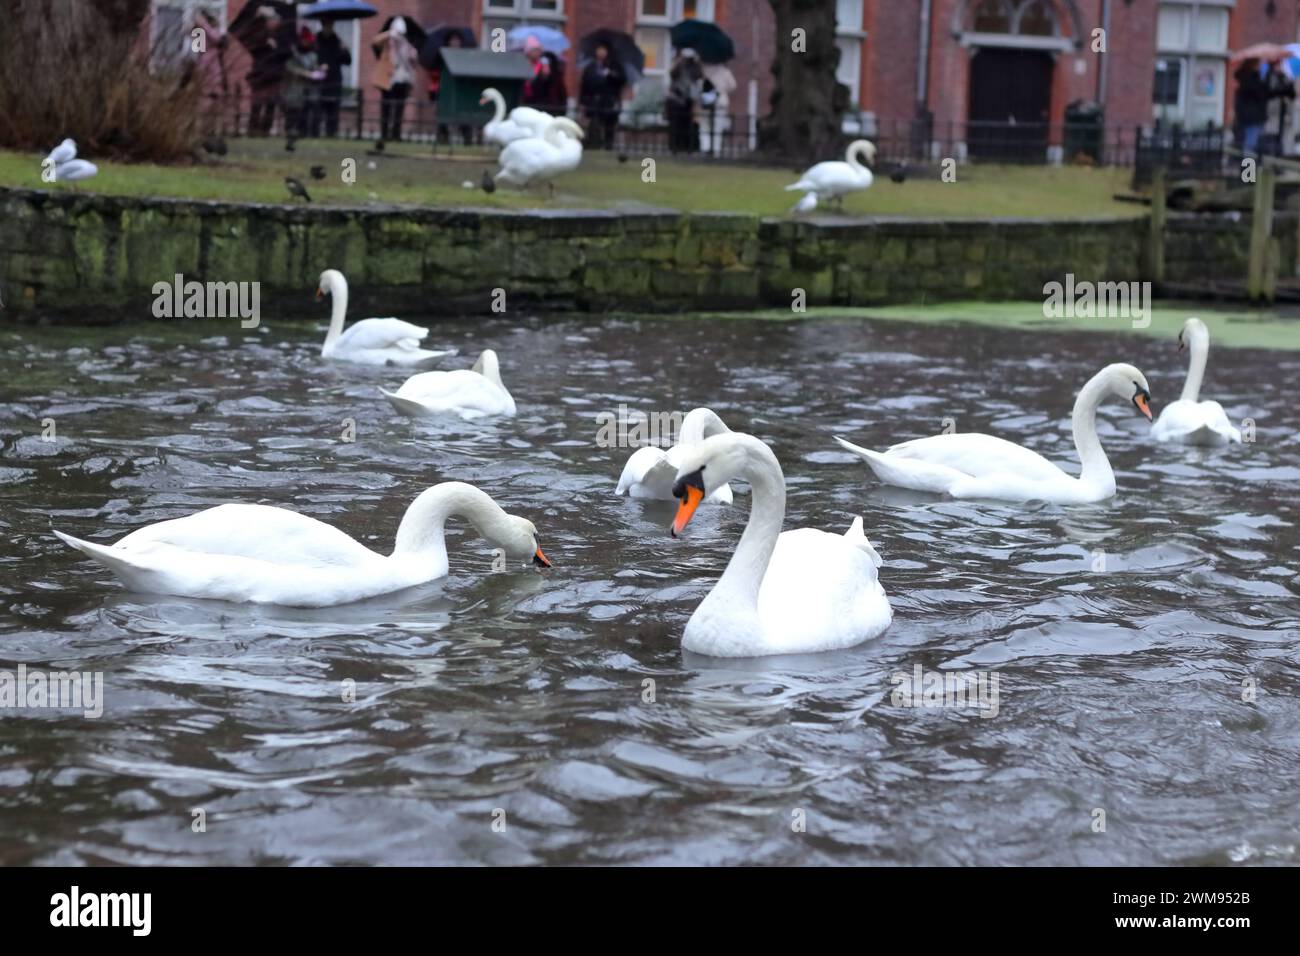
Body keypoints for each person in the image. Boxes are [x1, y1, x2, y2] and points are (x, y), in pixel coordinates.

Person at [373, 17, 419, 142]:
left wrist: (412, 53)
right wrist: (389, 34)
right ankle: (384, 133)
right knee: (386, 107)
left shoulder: (407, 44)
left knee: (399, 108)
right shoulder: (387, 42)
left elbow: (413, 60)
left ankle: (396, 134)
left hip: (403, 79)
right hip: (389, 78)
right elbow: (375, 41)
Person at [247, 7, 291, 135]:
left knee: (271, 105)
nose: (272, 22)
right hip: (259, 74)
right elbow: (252, 47)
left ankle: (265, 130)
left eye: (274, 20)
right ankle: (253, 130)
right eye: (269, 20)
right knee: (257, 104)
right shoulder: (259, 34)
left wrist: (275, 48)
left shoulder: (282, 34)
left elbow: (287, 52)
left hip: (274, 74)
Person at [429, 33, 473, 145]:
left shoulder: (464, 56)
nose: (455, 43)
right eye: (453, 40)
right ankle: (443, 137)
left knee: (463, 116)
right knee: (442, 115)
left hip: (460, 89)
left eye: (457, 40)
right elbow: (435, 75)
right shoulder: (442, 56)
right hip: (445, 89)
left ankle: (467, 138)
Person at [580, 42, 626, 150]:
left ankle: (608, 145)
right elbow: (584, 84)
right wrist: (583, 101)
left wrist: (611, 74)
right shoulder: (591, 67)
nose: (601, 52)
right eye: (599, 49)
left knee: (609, 126)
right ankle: (595, 145)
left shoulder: (614, 65)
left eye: (603, 50)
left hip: (609, 100)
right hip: (594, 100)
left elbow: (622, 80)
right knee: (595, 125)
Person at [283, 27, 324, 139]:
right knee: (293, 114)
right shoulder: (293, 55)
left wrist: (319, 71)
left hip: (309, 89)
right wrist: (304, 73)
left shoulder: (312, 56)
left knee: (308, 113)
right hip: (295, 89)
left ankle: (307, 133)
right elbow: (290, 68)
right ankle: (291, 133)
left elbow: (315, 68)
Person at [315, 19, 352, 137]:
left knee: (333, 108)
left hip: (335, 79)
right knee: (318, 108)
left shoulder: (337, 40)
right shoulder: (316, 40)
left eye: (331, 25)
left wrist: (345, 49)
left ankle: (331, 133)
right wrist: (319, 65)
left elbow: (347, 61)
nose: (329, 28)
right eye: (327, 25)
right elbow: (312, 57)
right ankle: (315, 132)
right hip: (320, 80)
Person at [666, 49, 702, 154]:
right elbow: (672, 73)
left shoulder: (694, 67)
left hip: (689, 100)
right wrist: (680, 60)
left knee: (689, 125)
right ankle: (674, 147)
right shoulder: (678, 65)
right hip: (677, 99)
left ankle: (688, 148)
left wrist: (697, 61)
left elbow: (700, 75)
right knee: (676, 125)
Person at [1233, 59, 1270, 156]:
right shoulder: (1252, 79)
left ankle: (1249, 169)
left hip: (1248, 117)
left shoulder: (1245, 79)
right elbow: (1261, 94)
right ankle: (1248, 170)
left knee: (1250, 145)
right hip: (1253, 118)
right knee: (1250, 146)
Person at [521, 36, 566, 115]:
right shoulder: (524, 65)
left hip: (545, 105)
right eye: (535, 50)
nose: (537, 53)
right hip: (530, 101)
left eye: (538, 50)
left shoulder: (544, 63)